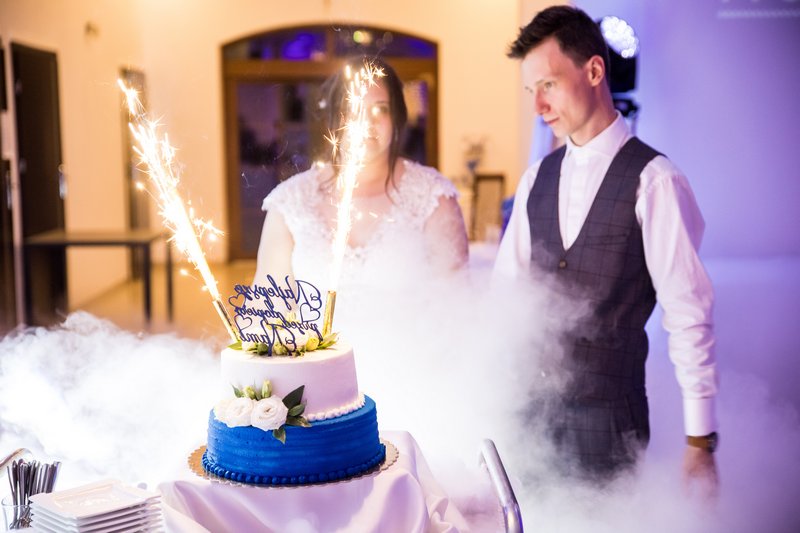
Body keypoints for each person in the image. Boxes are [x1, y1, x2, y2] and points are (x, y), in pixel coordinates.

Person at [493, 6, 719, 487]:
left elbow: (688, 314)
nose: (538, 106)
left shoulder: (656, 181)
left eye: (548, 85)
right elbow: (506, 299)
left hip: (610, 429)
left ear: (594, 71)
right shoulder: (536, 179)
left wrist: (700, 441)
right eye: (531, 91)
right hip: (528, 420)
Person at [254, 57, 468, 303]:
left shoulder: (434, 197)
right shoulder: (290, 201)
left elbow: (457, 303)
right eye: (351, 109)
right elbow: (267, 307)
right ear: (334, 119)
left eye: (380, 109)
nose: (366, 122)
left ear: (396, 118)